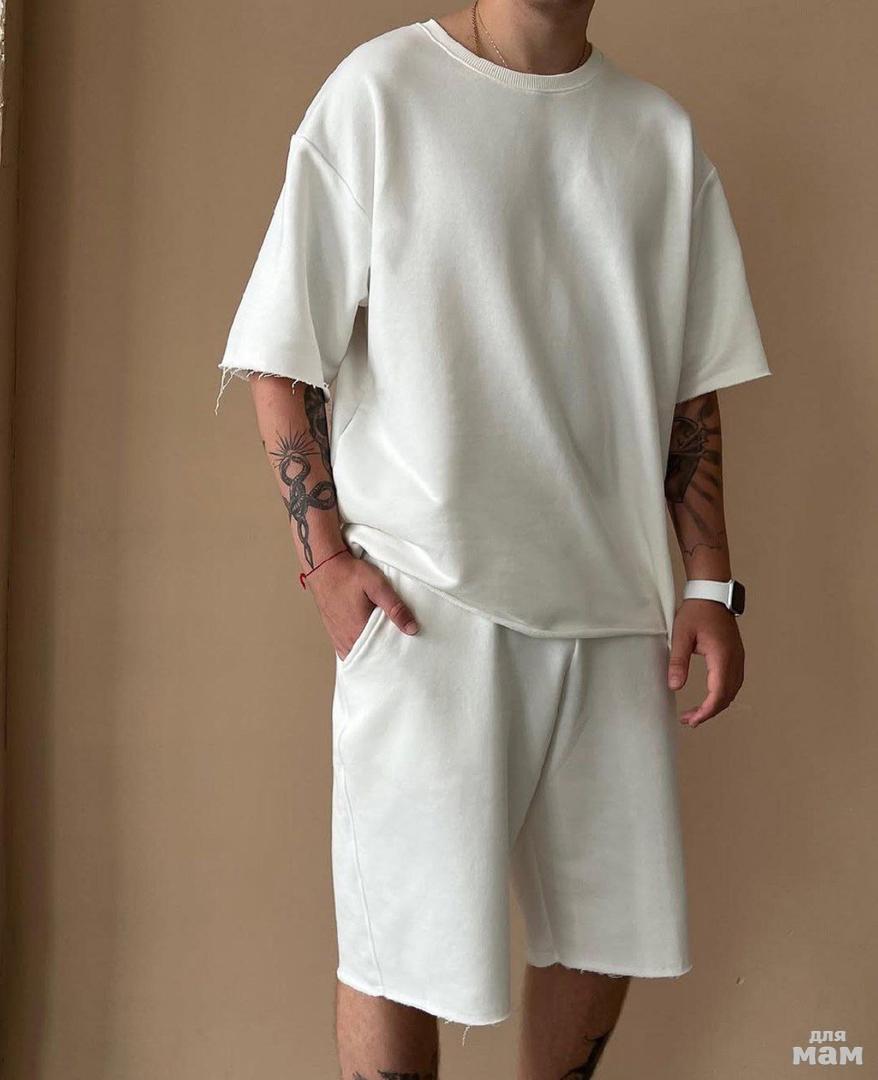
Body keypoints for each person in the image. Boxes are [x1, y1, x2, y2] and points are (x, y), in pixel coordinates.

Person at [215, 1, 771, 1075]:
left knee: (604, 936)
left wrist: (709, 581)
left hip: (617, 606)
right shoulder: (379, 93)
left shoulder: (657, 135)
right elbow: (280, 351)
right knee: (399, 947)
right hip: (426, 605)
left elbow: (688, 381)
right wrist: (324, 563)